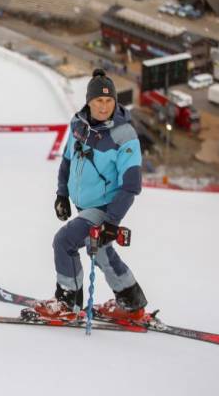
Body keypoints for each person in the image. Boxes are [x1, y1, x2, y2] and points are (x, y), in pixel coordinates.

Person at [32, 69, 147, 322]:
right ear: (89, 101)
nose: (104, 106)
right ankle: (132, 303)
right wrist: (62, 194)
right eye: (98, 101)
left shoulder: (124, 135)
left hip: (106, 207)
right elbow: (66, 161)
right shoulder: (78, 125)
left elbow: (131, 186)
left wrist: (111, 221)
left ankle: (68, 302)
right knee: (102, 254)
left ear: (115, 102)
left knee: (64, 241)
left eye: (109, 101)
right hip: (84, 204)